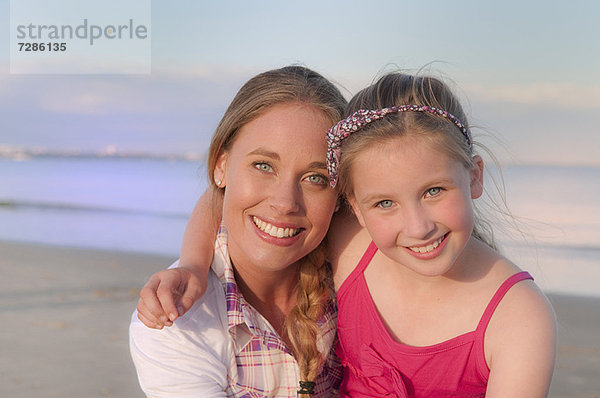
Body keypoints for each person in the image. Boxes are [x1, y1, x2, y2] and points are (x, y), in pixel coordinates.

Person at [138, 71, 557, 397]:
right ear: (355, 205)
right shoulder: (356, 246)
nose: (417, 227)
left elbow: (233, 197)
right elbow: (224, 199)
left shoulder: (516, 317)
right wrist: (193, 263)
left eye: (434, 191)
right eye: (385, 203)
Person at [129, 65, 347, 398]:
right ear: (221, 166)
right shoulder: (181, 324)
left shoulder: (358, 271)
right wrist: (193, 264)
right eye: (263, 166)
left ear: (340, 196)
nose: (285, 203)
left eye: (316, 178)